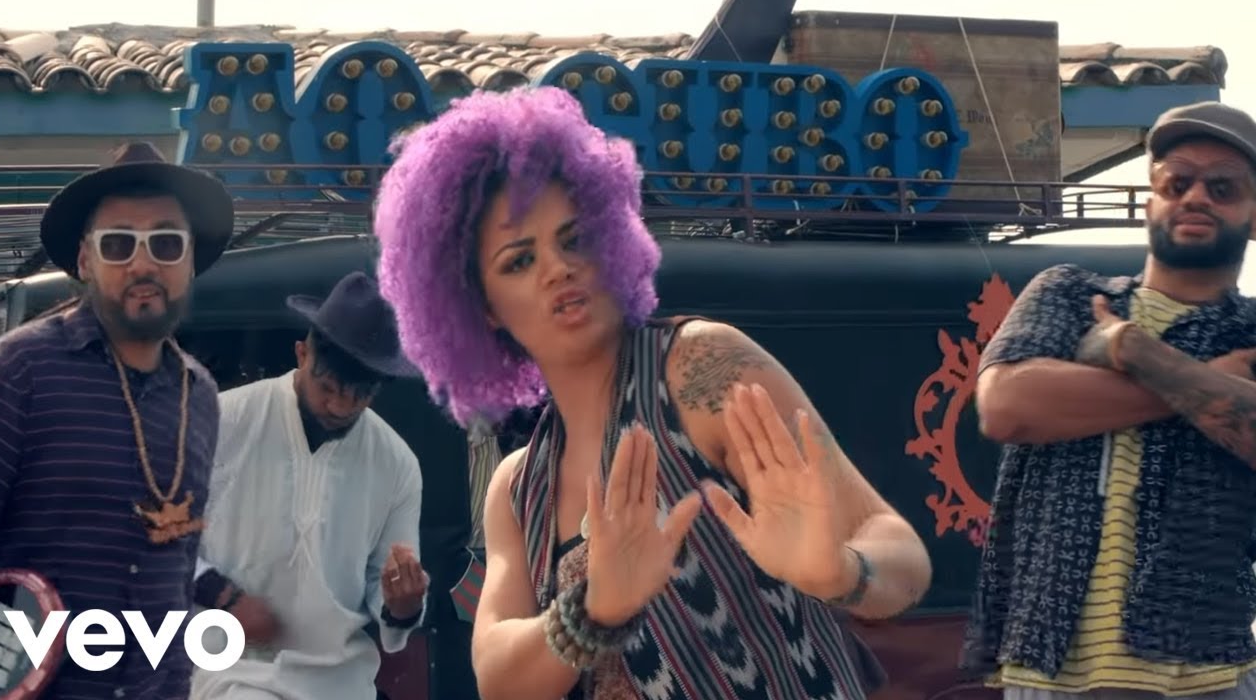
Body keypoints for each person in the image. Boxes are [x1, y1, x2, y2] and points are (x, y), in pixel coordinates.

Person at [371, 86, 933, 700]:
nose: (558, 267)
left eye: (574, 238)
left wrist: (839, 573)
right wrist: (593, 609)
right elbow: (499, 681)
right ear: (481, 308)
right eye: (518, 261)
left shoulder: (697, 368)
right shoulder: (518, 489)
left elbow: (900, 553)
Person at [965, 100, 1256, 700]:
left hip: (1204, 668)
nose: (1196, 197)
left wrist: (1132, 349)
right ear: (1151, 203)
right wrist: (1209, 386)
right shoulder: (1069, 294)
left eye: (1223, 187)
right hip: (1050, 659)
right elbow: (1008, 405)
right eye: (1176, 182)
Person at [0, 142, 234, 698]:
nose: (143, 264)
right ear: (85, 261)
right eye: (118, 244)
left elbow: (178, 575)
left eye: (166, 243)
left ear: (190, 261)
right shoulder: (19, 369)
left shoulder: (200, 396)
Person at [188, 271, 428, 700]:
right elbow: (158, 533)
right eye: (328, 388)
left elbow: (385, 590)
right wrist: (224, 597)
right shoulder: (221, 421)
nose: (338, 407)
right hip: (228, 671)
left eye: (357, 397)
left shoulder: (397, 465)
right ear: (302, 353)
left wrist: (402, 606)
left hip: (342, 681)